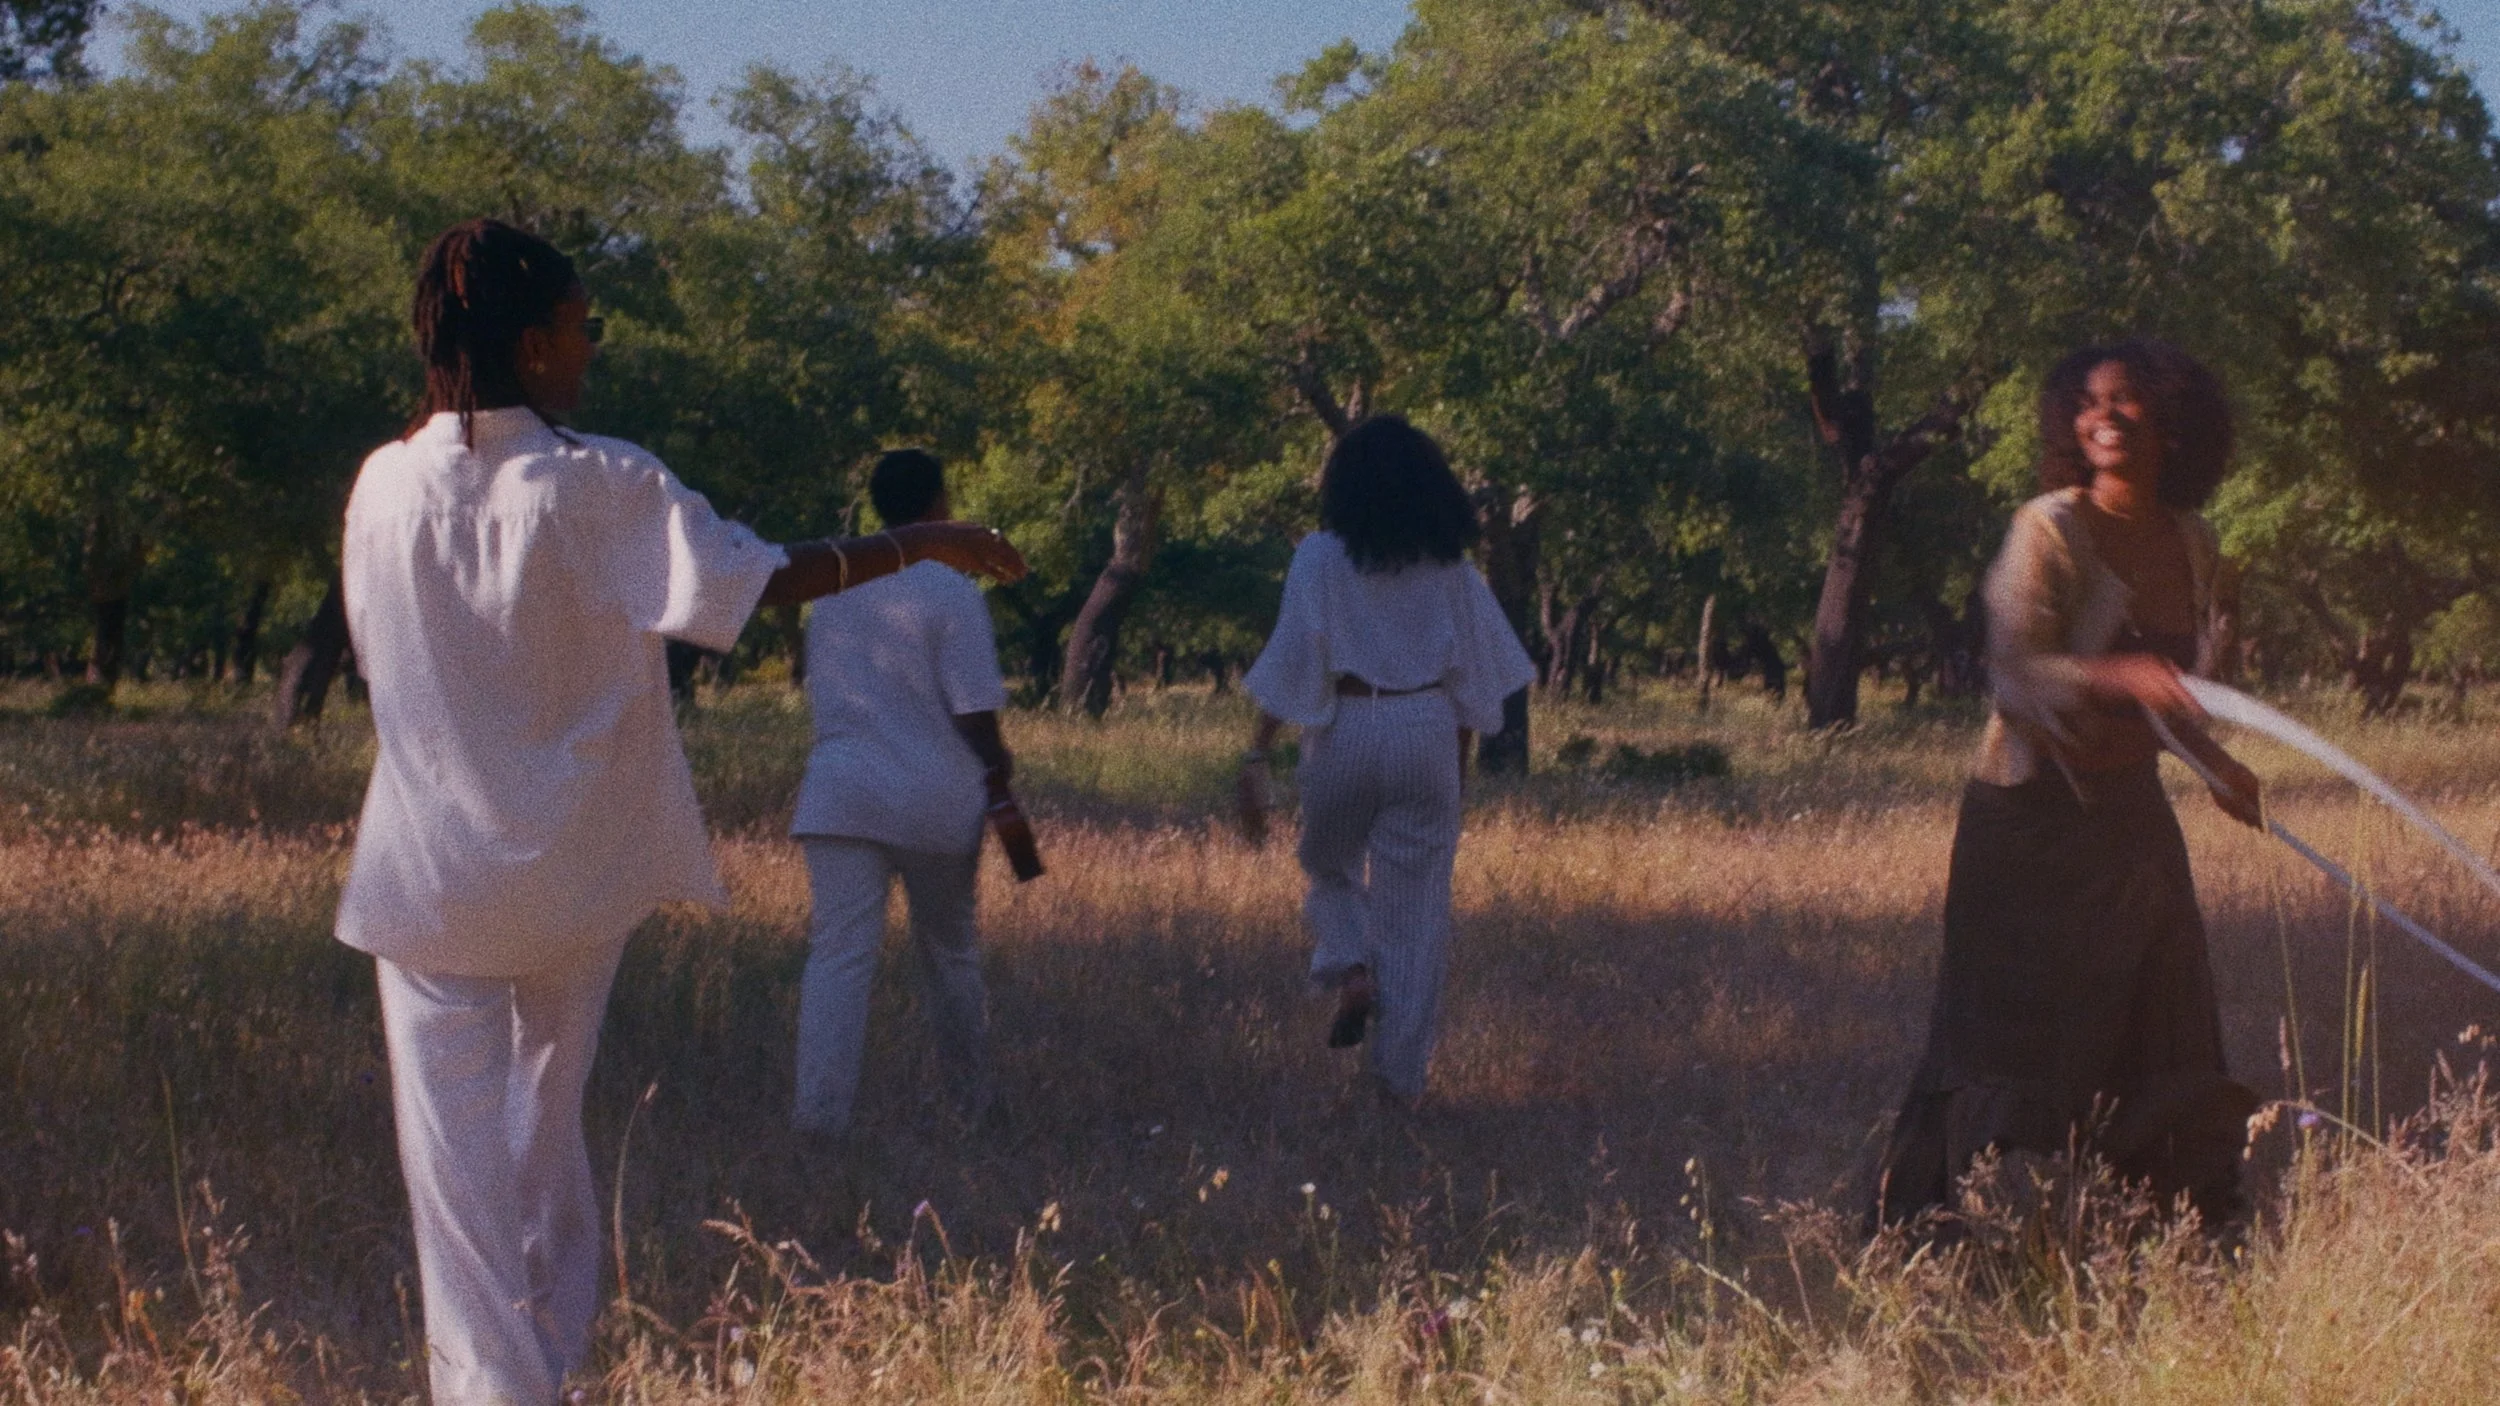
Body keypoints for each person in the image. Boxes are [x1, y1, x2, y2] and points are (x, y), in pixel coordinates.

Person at [336, 218, 1024, 1406]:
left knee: (451, 1171)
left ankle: (495, 1382)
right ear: (534, 344)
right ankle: (545, 1364)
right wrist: (920, 542)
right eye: (583, 327)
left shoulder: (381, 484)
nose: (591, 348)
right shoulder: (601, 482)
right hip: (572, 870)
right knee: (543, 1127)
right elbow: (761, 578)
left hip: (428, 870)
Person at [1871, 338, 2265, 1230]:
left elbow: (2176, 700)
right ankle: (1941, 1232)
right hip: (2027, 821)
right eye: (2087, 402)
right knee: (2002, 1038)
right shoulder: (2047, 528)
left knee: (2167, 1019)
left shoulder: (2194, 539)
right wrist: (2121, 676)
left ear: (2172, 420)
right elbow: (2017, 674)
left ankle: (2185, 1229)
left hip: (2132, 816)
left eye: (2125, 398)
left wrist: (2218, 768)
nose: (2103, 416)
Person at [1237, 415, 1536, 1106]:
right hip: (1425, 724)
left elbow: (1295, 657)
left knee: (1328, 864)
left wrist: (1257, 754)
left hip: (1345, 724)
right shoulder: (1451, 567)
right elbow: (1469, 679)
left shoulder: (1318, 557)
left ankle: (1349, 967)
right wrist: (1454, 776)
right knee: (1417, 914)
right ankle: (1399, 1085)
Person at [788, 448, 1017, 1141]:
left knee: (838, 958)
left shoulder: (832, 590)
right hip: (933, 797)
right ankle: (972, 1104)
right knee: (950, 953)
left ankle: (819, 1119)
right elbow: (974, 709)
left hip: (839, 794)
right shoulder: (952, 590)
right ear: (939, 505)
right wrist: (998, 769)